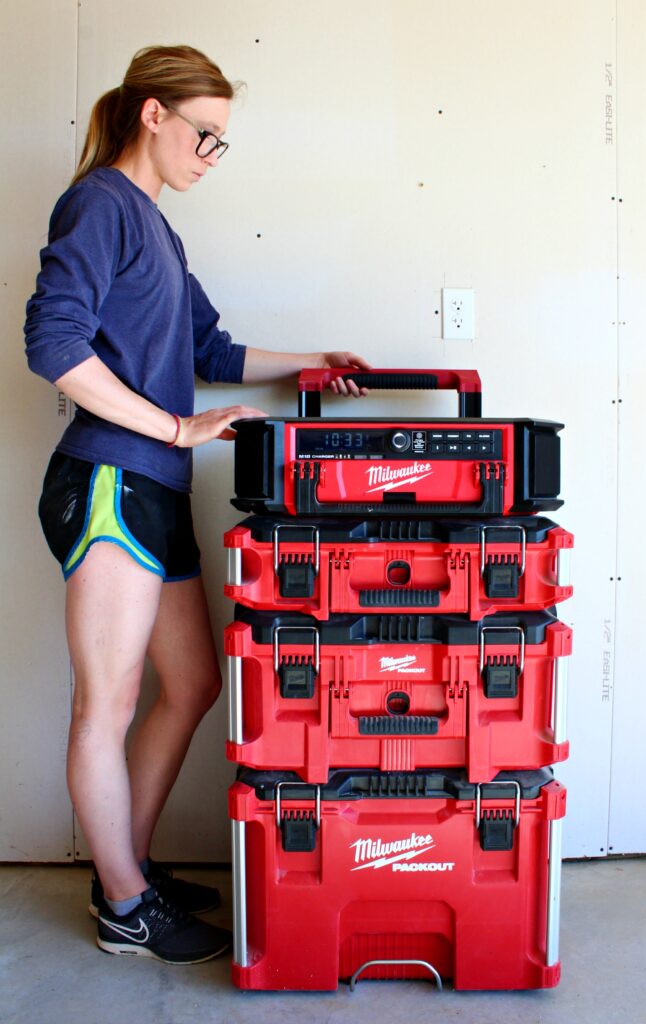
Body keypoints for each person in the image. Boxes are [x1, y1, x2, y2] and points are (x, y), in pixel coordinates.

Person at [24, 44, 370, 965]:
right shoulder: (100, 203)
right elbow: (54, 345)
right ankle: (127, 910)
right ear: (152, 114)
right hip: (109, 480)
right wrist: (176, 431)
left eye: (223, 144)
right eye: (204, 135)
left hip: (154, 488)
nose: (210, 156)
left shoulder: (158, 229)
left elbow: (209, 347)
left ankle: (122, 870)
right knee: (110, 701)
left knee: (194, 686)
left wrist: (309, 367)